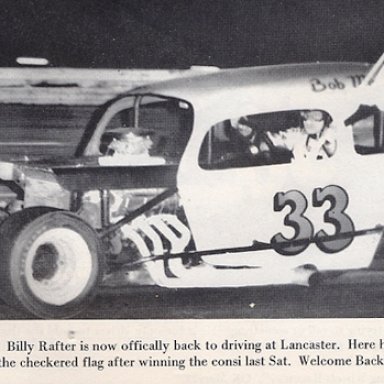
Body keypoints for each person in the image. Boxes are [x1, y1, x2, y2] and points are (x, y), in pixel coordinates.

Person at [267, 110, 336, 161]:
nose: (308, 121)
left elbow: (331, 150)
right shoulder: (297, 145)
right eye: (306, 117)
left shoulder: (327, 133)